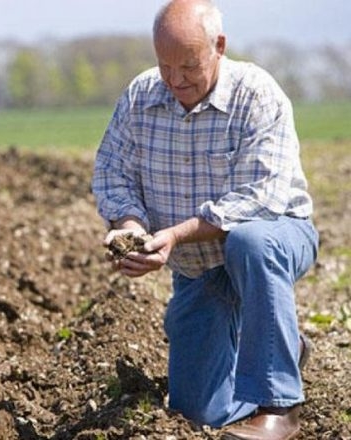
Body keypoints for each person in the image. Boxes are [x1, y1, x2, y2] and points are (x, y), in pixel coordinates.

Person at [91, 0, 318, 439]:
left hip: (274, 237)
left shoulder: (257, 94)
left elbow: (260, 200)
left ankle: (280, 406)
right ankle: (280, 347)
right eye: (165, 65)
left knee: (251, 242)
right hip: (199, 268)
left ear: (219, 46)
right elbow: (111, 172)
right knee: (200, 410)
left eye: (189, 66)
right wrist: (133, 228)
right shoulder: (141, 97)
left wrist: (174, 235)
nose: (176, 80)